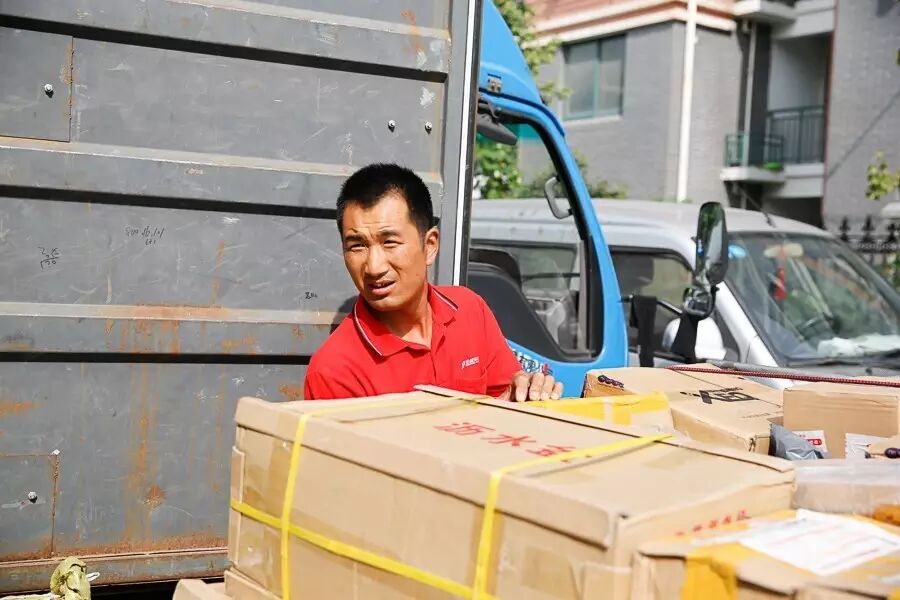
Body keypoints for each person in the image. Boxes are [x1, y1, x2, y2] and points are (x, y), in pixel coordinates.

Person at [303, 163, 563, 401]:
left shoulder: (469, 310)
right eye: (357, 246)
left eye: (389, 242)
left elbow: (504, 397)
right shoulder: (335, 370)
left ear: (429, 245)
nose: (374, 267)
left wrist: (527, 393)